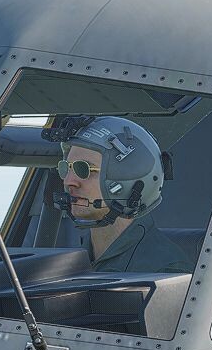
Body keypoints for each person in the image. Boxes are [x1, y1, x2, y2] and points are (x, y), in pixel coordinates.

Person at [57, 115, 189, 272]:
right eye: (66, 168)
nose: (68, 181)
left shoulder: (164, 271)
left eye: (84, 169)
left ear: (128, 178)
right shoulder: (70, 263)